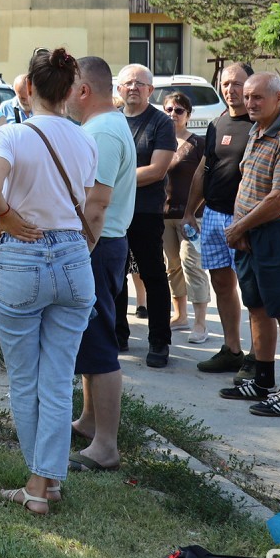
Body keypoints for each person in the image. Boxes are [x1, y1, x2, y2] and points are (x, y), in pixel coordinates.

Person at [0, 48, 97, 515]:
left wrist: (7, 215)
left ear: (27, 88)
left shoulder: (10, 134)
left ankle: (36, 486)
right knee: (58, 380)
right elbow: (85, 203)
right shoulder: (85, 139)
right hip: (72, 257)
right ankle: (48, 481)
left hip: (21, 257)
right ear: (71, 91)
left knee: (25, 380)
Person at [219, 72, 280, 418]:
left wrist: (239, 227)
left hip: (278, 232)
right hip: (251, 234)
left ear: (279, 97)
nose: (250, 103)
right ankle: (262, 381)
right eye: (247, 97)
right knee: (257, 308)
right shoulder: (258, 130)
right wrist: (242, 228)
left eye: (258, 97)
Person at [65, 55, 136, 472]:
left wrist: (79, 254)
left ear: (84, 90)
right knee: (90, 340)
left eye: (69, 87)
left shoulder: (103, 131)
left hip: (98, 245)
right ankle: (91, 422)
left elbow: (97, 205)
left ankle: (106, 446)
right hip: (102, 244)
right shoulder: (103, 126)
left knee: (100, 342)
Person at [182, 64, 255, 379]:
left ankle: (258, 357)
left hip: (246, 219)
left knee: (253, 291)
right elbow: (204, 168)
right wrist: (190, 210)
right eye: (225, 84)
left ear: (249, 85)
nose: (230, 90)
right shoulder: (217, 123)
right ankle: (232, 350)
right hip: (213, 215)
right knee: (222, 283)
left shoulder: (260, 124)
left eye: (237, 83)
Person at [115, 64, 176, 368]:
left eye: (140, 83)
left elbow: (157, 170)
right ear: (119, 89)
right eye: (128, 83)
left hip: (146, 211)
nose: (133, 88)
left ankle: (159, 341)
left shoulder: (161, 122)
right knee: (115, 274)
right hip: (114, 210)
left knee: (153, 274)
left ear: (150, 90)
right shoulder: (112, 120)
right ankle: (118, 334)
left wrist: (112, 180)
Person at [160, 92, 207, 342]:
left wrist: (197, 210)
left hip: (192, 217)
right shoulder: (160, 141)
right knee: (173, 267)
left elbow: (208, 179)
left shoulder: (198, 144)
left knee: (192, 266)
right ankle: (180, 316)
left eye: (179, 110)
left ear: (188, 115)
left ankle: (200, 323)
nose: (173, 114)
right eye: (168, 109)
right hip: (164, 215)